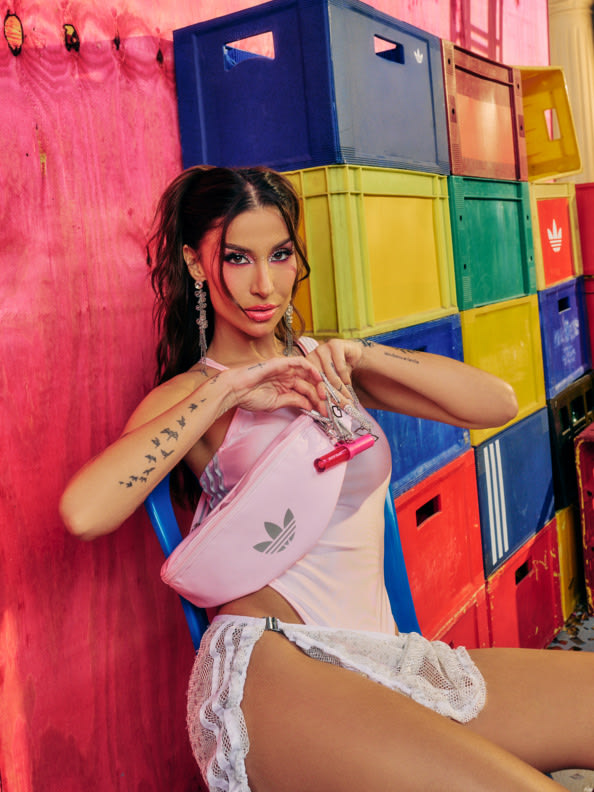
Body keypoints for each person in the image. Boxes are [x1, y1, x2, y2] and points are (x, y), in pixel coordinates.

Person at [60, 165, 594, 792]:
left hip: (390, 659)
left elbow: (495, 402)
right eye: (237, 258)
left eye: (280, 254)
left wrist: (361, 353)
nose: (265, 284)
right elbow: (84, 511)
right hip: (280, 667)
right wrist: (231, 387)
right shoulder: (194, 395)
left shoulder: (325, 366)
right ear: (197, 265)